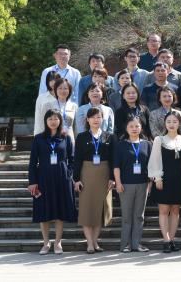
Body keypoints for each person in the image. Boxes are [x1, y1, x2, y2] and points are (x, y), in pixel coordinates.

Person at [29, 109, 77, 255]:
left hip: (61, 177)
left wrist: (69, 175)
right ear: (45, 121)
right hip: (43, 177)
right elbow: (33, 162)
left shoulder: (65, 138)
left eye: (56, 118)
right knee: (43, 210)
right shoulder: (38, 138)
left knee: (59, 211)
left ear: (60, 121)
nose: (53, 121)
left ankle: (57, 242)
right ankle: (46, 243)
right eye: (50, 119)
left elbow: (72, 159)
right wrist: (32, 181)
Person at [149, 108, 181, 253]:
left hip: (179, 180)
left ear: (179, 123)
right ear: (165, 123)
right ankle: (166, 240)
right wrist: (157, 177)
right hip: (164, 178)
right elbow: (155, 160)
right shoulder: (159, 140)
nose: (172, 124)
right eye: (169, 122)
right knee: (164, 210)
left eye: (175, 121)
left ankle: (172, 239)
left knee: (175, 210)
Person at [72, 107, 114, 253]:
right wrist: (76, 179)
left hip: (104, 173)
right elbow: (77, 159)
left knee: (100, 210)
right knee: (87, 209)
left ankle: (95, 241)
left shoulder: (109, 136)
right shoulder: (81, 137)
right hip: (87, 173)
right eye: (93, 117)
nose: (96, 120)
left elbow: (113, 158)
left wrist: (112, 178)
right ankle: (89, 243)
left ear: (102, 119)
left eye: (99, 117)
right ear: (87, 120)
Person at [113, 116, 151, 252]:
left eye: (137, 126)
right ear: (126, 128)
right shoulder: (121, 145)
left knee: (139, 216)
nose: (134, 129)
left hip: (143, 184)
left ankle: (136, 244)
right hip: (126, 185)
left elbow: (151, 166)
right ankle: (126, 244)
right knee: (127, 216)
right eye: (131, 126)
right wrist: (118, 183)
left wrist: (150, 184)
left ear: (141, 128)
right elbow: (116, 166)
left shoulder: (147, 144)